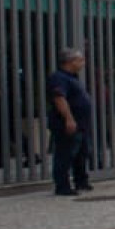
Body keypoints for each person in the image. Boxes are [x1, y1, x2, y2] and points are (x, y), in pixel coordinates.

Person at [46, 47, 93, 196]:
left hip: (80, 124)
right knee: (65, 154)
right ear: (69, 62)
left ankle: (81, 181)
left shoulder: (72, 78)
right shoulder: (59, 78)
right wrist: (69, 119)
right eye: (80, 60)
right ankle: (62, 186)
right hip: (67, 124)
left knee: (81, 153)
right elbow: (59, 98)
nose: (83, 63)